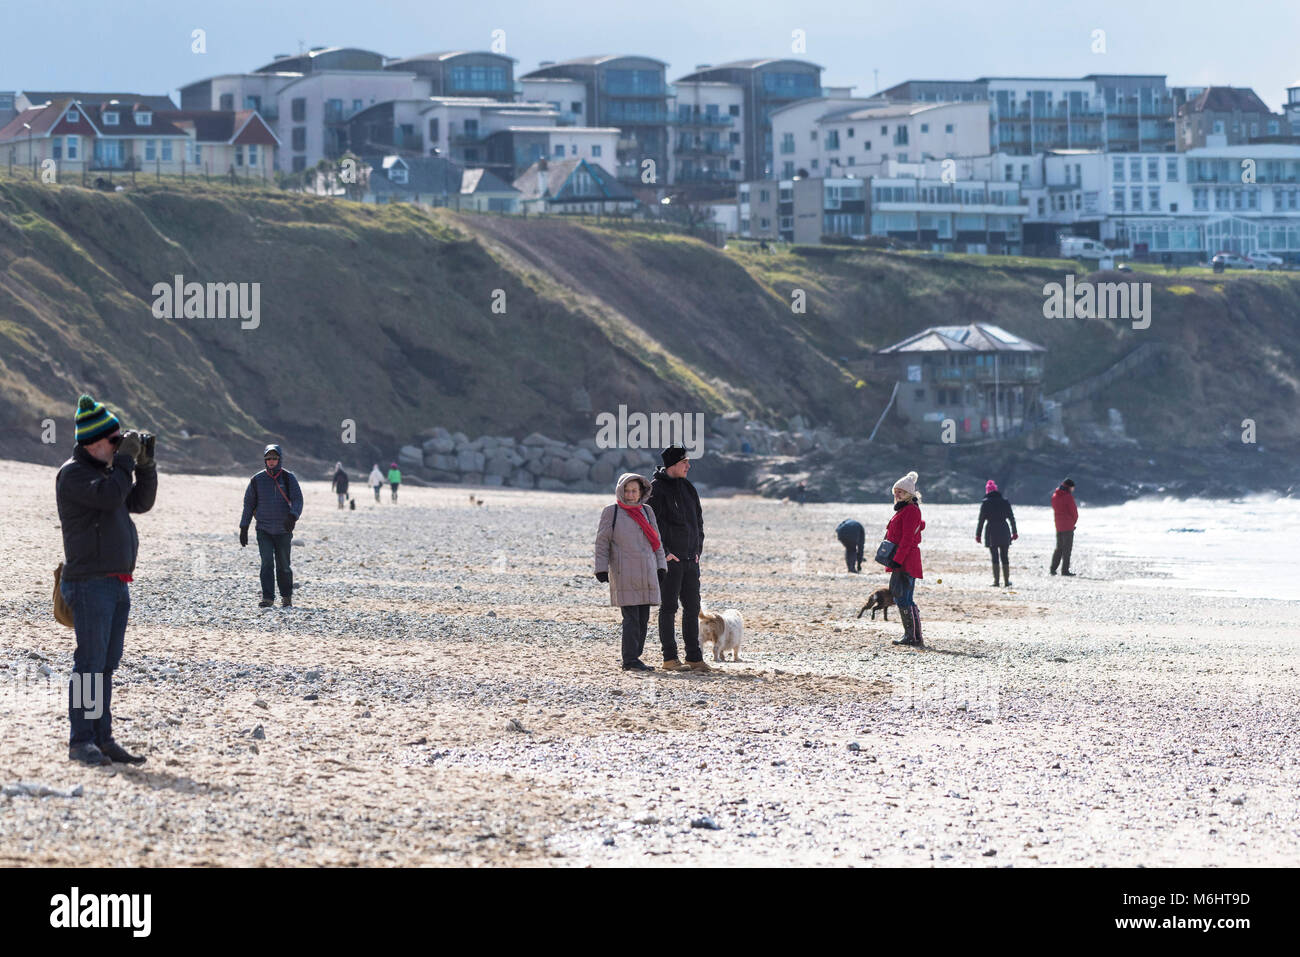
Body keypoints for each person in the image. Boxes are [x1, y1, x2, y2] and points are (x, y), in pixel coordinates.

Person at [56, 394, 157, 766]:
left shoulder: (107, 474)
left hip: (115, 582)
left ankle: (102, 737)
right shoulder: (74, 475)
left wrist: (145, 465)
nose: (118, 447)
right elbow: (113, 494)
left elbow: (140, 502)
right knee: (89, 664)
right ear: (92, 441)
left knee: (106, 665)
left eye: (120, 441)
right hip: (88, 582)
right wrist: (126, 462)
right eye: (114, 441)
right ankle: (81, 740)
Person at [594, 473, 668, 671]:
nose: (630, 494)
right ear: (620, 491)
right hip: (623, 572)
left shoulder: (647, 511)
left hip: (647, 571)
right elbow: (602, 542)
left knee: (643, 619)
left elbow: (656, 541)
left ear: (641, 492)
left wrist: (662, 565)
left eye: (634, 490)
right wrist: (600, 568)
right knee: (631, 619)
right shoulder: (612, 511)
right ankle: (630, 660)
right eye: (626, 490)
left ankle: (636, 657)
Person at [646, 446, 710, 672]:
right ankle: (670, 659)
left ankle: (694, 657)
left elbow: (698, 522)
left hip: (691, 559)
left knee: (692, 608)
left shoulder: (689, 487)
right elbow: (651, 526)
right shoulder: (656, 489)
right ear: (673, 464)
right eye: (685, 462)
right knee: (669, 608)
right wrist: (665, 552)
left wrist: (697, 551)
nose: (688, 466)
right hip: (670, 560)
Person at [239, 445, 303, 607]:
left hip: (284, 530)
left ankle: (286, 597)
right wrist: (244, 527)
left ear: (280, 459)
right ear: (264, 460)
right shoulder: (256, 480)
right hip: (264, 530)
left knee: (284, 565)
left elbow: (298, 500)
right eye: (268, 458)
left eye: (274, 458)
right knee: (267, 563)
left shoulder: (289, 478)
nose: (271, 461)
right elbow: (248, 504)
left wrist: (293, 516)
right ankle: (268, 598)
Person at [883, 471, 925, 647]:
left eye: (900, 491)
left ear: (909, 494)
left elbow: (907, 538)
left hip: (906, 560)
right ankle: (914, 636)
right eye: (895, 491)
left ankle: (911, 637)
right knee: (904, 597)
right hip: (904, 559)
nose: (897, 493)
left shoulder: (909, 510)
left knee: (902, 597)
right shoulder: (905, 509)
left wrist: (897, 560)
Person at [975, 479, 1019, 587]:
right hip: (1004, 529)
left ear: (987, 491)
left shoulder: (985, 503)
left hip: (991, 531)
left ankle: (996, 581)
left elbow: (981, 520)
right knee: (1004, 556)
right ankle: (1006, 581)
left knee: (994, 556)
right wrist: (1014, 532)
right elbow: (1011, 518)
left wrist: (978, 535)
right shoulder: (1005, 501)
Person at [1050, 478, 1078, 576]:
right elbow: (1074, 512)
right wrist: (1072, 523)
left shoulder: (1055, 496)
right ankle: (1065, 570)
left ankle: (1053, 569)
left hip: (1058, 525)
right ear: (1069, 487)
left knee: (1059, 548)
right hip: (1068, 526)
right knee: (1067, 549)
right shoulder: (1068, 497)